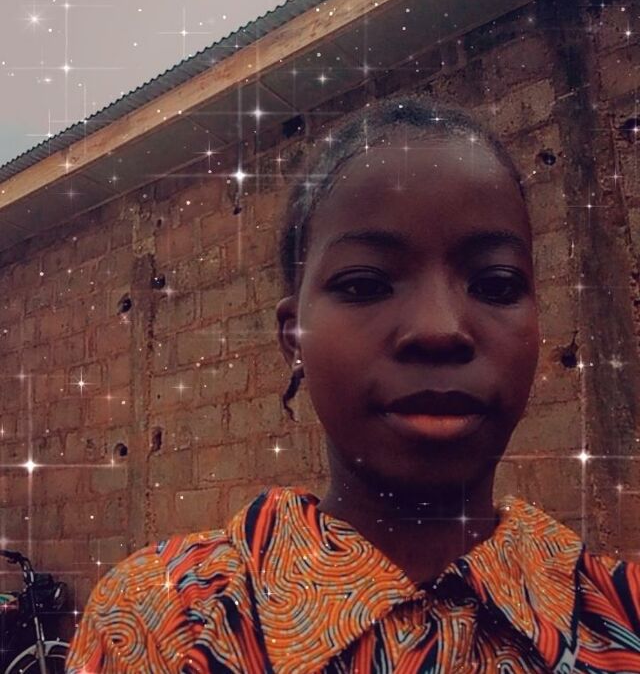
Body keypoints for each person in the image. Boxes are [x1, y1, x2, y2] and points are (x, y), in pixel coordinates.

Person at [65, 93, 640, 673]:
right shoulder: (162, 623)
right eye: (364, 285)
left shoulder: (621, 619)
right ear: (294, 336)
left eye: (496, 285)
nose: (438, 329)